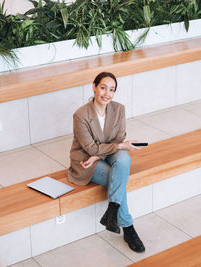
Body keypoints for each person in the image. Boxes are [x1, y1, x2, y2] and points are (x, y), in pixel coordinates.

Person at [68, 71, 145, 253]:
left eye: (112, 90)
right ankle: (128, 228)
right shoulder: (80, 115)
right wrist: (97, 155)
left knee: (124, 158)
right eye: (103, 88)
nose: (107, 94)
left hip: (103, 153)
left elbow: (118, 138)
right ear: (94, 87)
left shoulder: (118, 109)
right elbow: (91, 149)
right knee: (116, 176)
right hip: (86, 161)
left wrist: (100, 153)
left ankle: (112, 210)